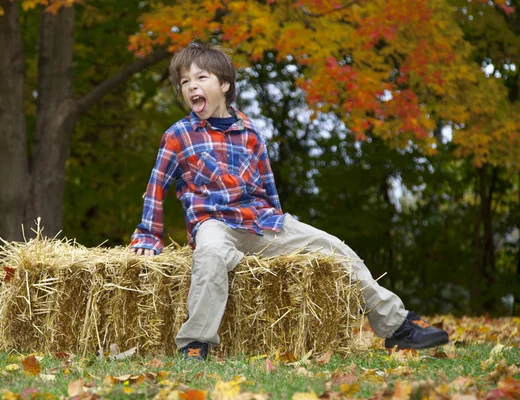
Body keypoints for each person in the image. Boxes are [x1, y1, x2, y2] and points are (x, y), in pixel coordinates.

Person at [129, 41, 449, 361]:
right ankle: (195, 343)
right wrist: (148, 235)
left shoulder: (251, 133)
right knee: (210, 254)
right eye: (185, 82)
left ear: (224, 84)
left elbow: (268, 188)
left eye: (201, 78)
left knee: (335, 248)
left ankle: (396, 325)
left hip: (259, 221)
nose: (192, 86)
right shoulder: (179, 134)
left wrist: (282, 226)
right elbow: (157, 186)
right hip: (213, 223)